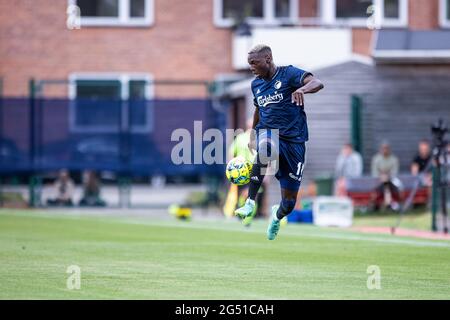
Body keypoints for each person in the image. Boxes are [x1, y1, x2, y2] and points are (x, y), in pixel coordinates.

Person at [234, 44, 324, 240]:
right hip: (269, 133)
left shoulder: (288, 74)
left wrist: (303, 89)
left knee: (289, 203)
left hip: (294, 142)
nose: (251, 67)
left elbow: (317, 82)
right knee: (266, 146)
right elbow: (258, 110)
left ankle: (276, 216)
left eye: (254, 63)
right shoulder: (255, 84)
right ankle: (250, 201)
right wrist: (252, 133)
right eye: (249, 63)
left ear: (268, 59)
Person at [223, 118, 268, 225]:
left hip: (241, 173)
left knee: (249, 195)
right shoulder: (254, 139)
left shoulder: (242, 138)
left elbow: (230, 154)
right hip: (249, 171)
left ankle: (246, 216)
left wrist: (230, 169)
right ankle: (246, 217)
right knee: (250, 195)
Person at [370, 142, 401, 211]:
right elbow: (374, 172)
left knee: (386, 184)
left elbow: (394, 173)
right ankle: (388, 204)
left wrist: (386, 176)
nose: (385, 150)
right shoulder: (376, 159)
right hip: (378, 182)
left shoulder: (394, 159)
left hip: (391, 182)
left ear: (389, 149)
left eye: (386, 148)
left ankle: (383, 204)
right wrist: (382, 176)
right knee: (385, 185)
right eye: (383, 148)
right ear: (380, 149)